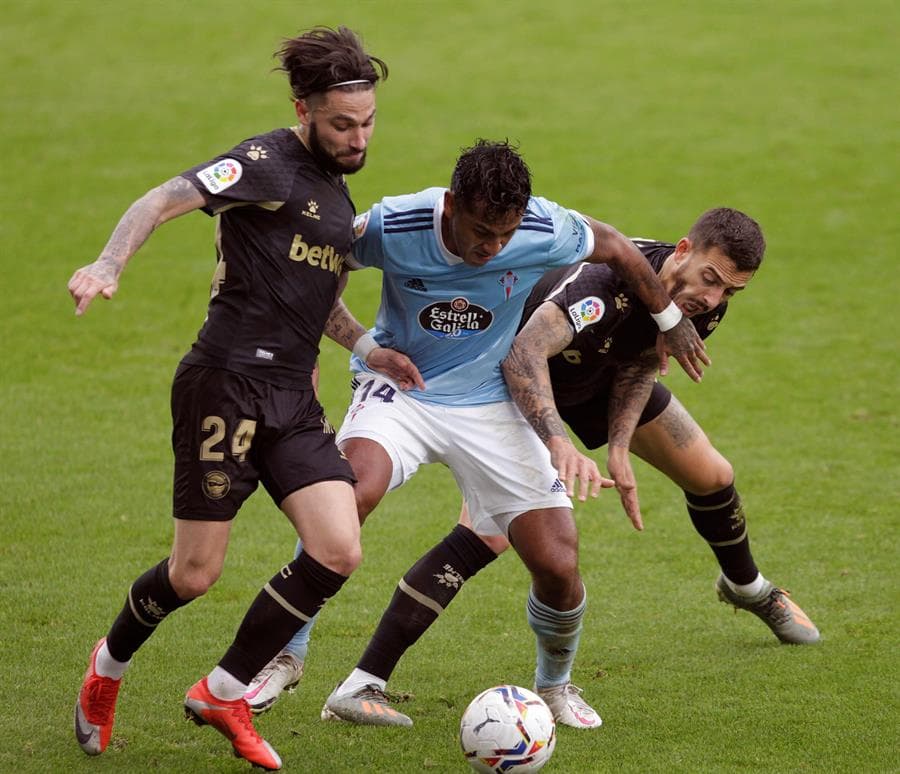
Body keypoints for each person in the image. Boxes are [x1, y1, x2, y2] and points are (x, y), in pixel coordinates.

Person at [249, 207, 820, 726]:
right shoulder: (601, 284)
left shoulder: (697, 308)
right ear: (682, 249)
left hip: (595, 380)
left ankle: (746, 587)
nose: (713, 298)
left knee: (712, 474)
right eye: (709, 279)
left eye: (729, 291)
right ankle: (360, 680)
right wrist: (557, 443)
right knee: (491, 532)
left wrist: (618, 445)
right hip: (519, 384)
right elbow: (524, 354)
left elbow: (643, 361)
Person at [67, 26, 419, 770]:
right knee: (194, 575)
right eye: (341, 124)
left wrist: (367, 349)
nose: (358, 138)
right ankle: (109, 667)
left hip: (292, 395)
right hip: (224, 384)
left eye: (368, 122)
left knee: (338, 547)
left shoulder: (331, 187)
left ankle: (224, 690)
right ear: (303, 109)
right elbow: (164, 198)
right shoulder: (267, 161)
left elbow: (311, 295)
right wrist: (107, 263)